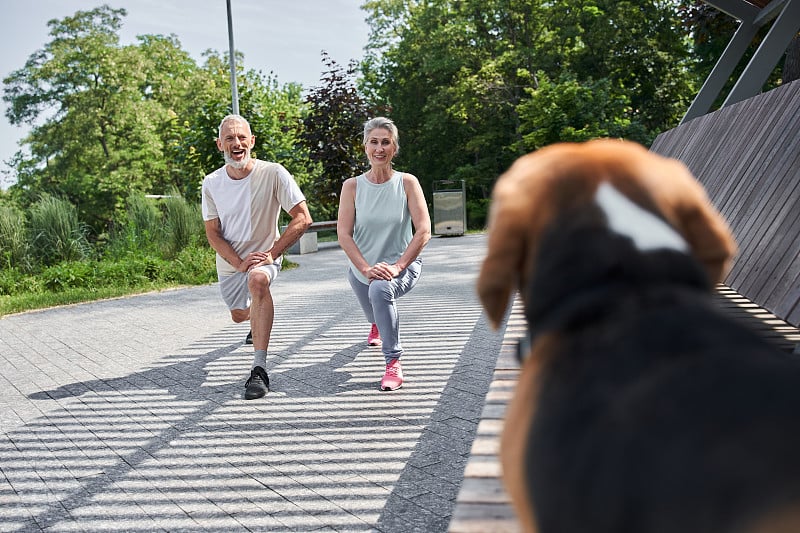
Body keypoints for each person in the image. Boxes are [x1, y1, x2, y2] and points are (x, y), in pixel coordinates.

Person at [202, 114, 312, 400]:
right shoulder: (211, 183)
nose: (236, 143)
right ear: (219, 144)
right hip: (230, 261)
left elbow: (302, 218)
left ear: (252, 141)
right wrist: (238, 264)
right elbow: (213, 233)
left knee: (259, 282)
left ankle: (259, 369)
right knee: (239, 316)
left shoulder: (274, 173)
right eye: (229, 138)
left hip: (265, 256)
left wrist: (272, 254)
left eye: (241, 137)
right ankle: (255, 317)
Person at [337, 117, 432, 391]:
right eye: (374, 142)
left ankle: (393, 363)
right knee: (374, 307)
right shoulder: (351, 187)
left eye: (386, 142)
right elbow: (344, 234)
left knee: (380, 290)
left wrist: (398, 266)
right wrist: (365, 269)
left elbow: (424, 229)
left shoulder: (407, 183)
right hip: (361, 270)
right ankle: (377, 324)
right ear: (365, 146)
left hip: (402, 265)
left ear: (394, 148)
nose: (380, 148)